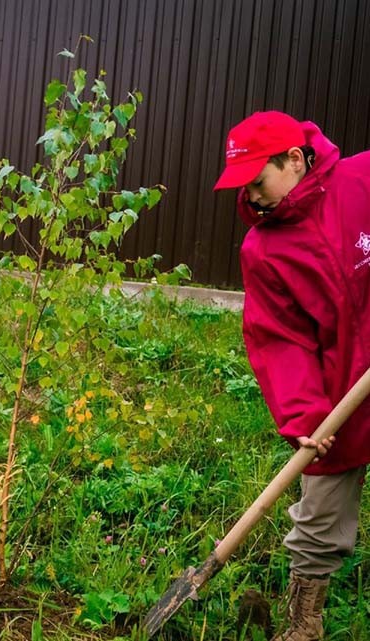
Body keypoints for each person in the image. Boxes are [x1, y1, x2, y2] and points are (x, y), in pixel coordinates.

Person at [214, 111, 370, 641]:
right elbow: (279, 340)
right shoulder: (263, 250)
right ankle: (304, 622)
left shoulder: (361, 181)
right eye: (244, 188)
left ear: (296, 160)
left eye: (259, 182)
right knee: (320, 511)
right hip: (340, 394)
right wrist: (306, 416)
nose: (253, 199)